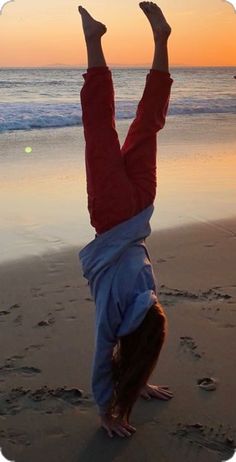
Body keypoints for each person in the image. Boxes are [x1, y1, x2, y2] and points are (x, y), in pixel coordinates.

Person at [78, 2, 174, 439]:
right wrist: (107, 408)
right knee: (100, 125)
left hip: (141, 211)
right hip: (112, 214)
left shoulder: (150, 296)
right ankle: (93, 41)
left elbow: (146, 338)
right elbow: (103, 352)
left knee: (147, 125)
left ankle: (160, 41)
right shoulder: (118, 310)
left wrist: (141, 377)